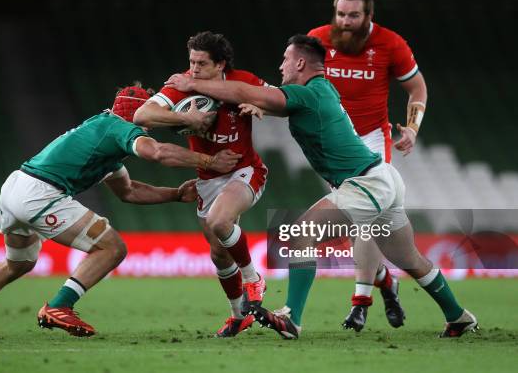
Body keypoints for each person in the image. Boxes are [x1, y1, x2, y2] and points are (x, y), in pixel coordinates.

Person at [165, 34, 478, 339]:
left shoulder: (309, 93)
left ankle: (291, 318)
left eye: (286, 60)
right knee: (410, 259)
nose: (280, 67)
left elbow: (254, 93)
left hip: (365, 182)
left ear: (300, 62)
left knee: (302, 233)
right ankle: (459, 317)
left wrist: (192, 83)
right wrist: (260, 105)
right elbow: (271, 102)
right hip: (383, 178)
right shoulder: (319, 89)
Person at [0, 83, 241, 339]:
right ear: (138, 114)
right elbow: (156, 152)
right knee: (112, 248)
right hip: (40, 193)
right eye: (153, 112)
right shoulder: (118, 128)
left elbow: (129, 192)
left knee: (18, 263)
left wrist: (174, 194)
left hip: (16, 187)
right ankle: (59, 306)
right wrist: (208, 162)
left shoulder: (105, 139)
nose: (156, 119)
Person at [302, 0, 429, 332]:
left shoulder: (391, 44)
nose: (345, 21)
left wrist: (413, 128)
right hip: (333, 143)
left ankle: (360, 303)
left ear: (369, 16)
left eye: (353, 15)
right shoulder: (318, 39)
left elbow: (417, 87)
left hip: (372, 138)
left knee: (367, 220)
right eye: (341, 14)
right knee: (346, 228)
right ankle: (386, 280)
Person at [133, 32, 267, 337]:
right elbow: (143, 114)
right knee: (219, 253)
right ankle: (239, 316)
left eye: (201, 63)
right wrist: (188, 120)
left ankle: (254, 278)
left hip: (244, 170)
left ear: (220, 64)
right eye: (191, 62)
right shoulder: (181, 85)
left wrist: (261, 107)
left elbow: (278, 99)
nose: (193, 69)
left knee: (221, 221)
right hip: (207, 179)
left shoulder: (242, 80)